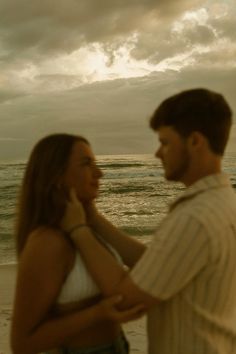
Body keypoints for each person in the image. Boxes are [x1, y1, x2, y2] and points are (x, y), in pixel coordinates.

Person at [61, 88, 236, 354]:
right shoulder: (224, 202)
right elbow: (154, 263)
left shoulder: (194, 219)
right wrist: (94, 219)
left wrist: (78, 230)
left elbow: (125, 299)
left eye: (165, 142)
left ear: (195, 141)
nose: (158, 153)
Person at [10, 133, 145, 354]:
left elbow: (149, 265)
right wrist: (97, 313)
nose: (99, 173)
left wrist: (93, 219)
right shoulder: (47, 243)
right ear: (57, 177)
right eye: (86, 164)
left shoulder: (88, 229)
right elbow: (23, 343)